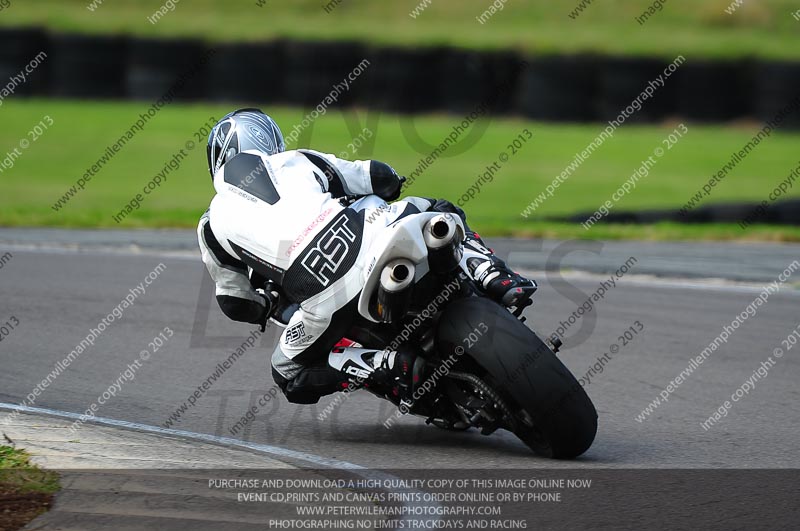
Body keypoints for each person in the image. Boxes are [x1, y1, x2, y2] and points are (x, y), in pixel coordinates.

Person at [198, 108, 536, 406]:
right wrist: (392, 185)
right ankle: (494, 275)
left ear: (217, 157)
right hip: (375, 235)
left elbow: (234, 303)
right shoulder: (297, 159)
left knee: (287, 373)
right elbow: (378, 176)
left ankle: (384, 365)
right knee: (439, 213)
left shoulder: (211, 224)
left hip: (323, 296)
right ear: (270, 141)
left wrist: (264, 306)